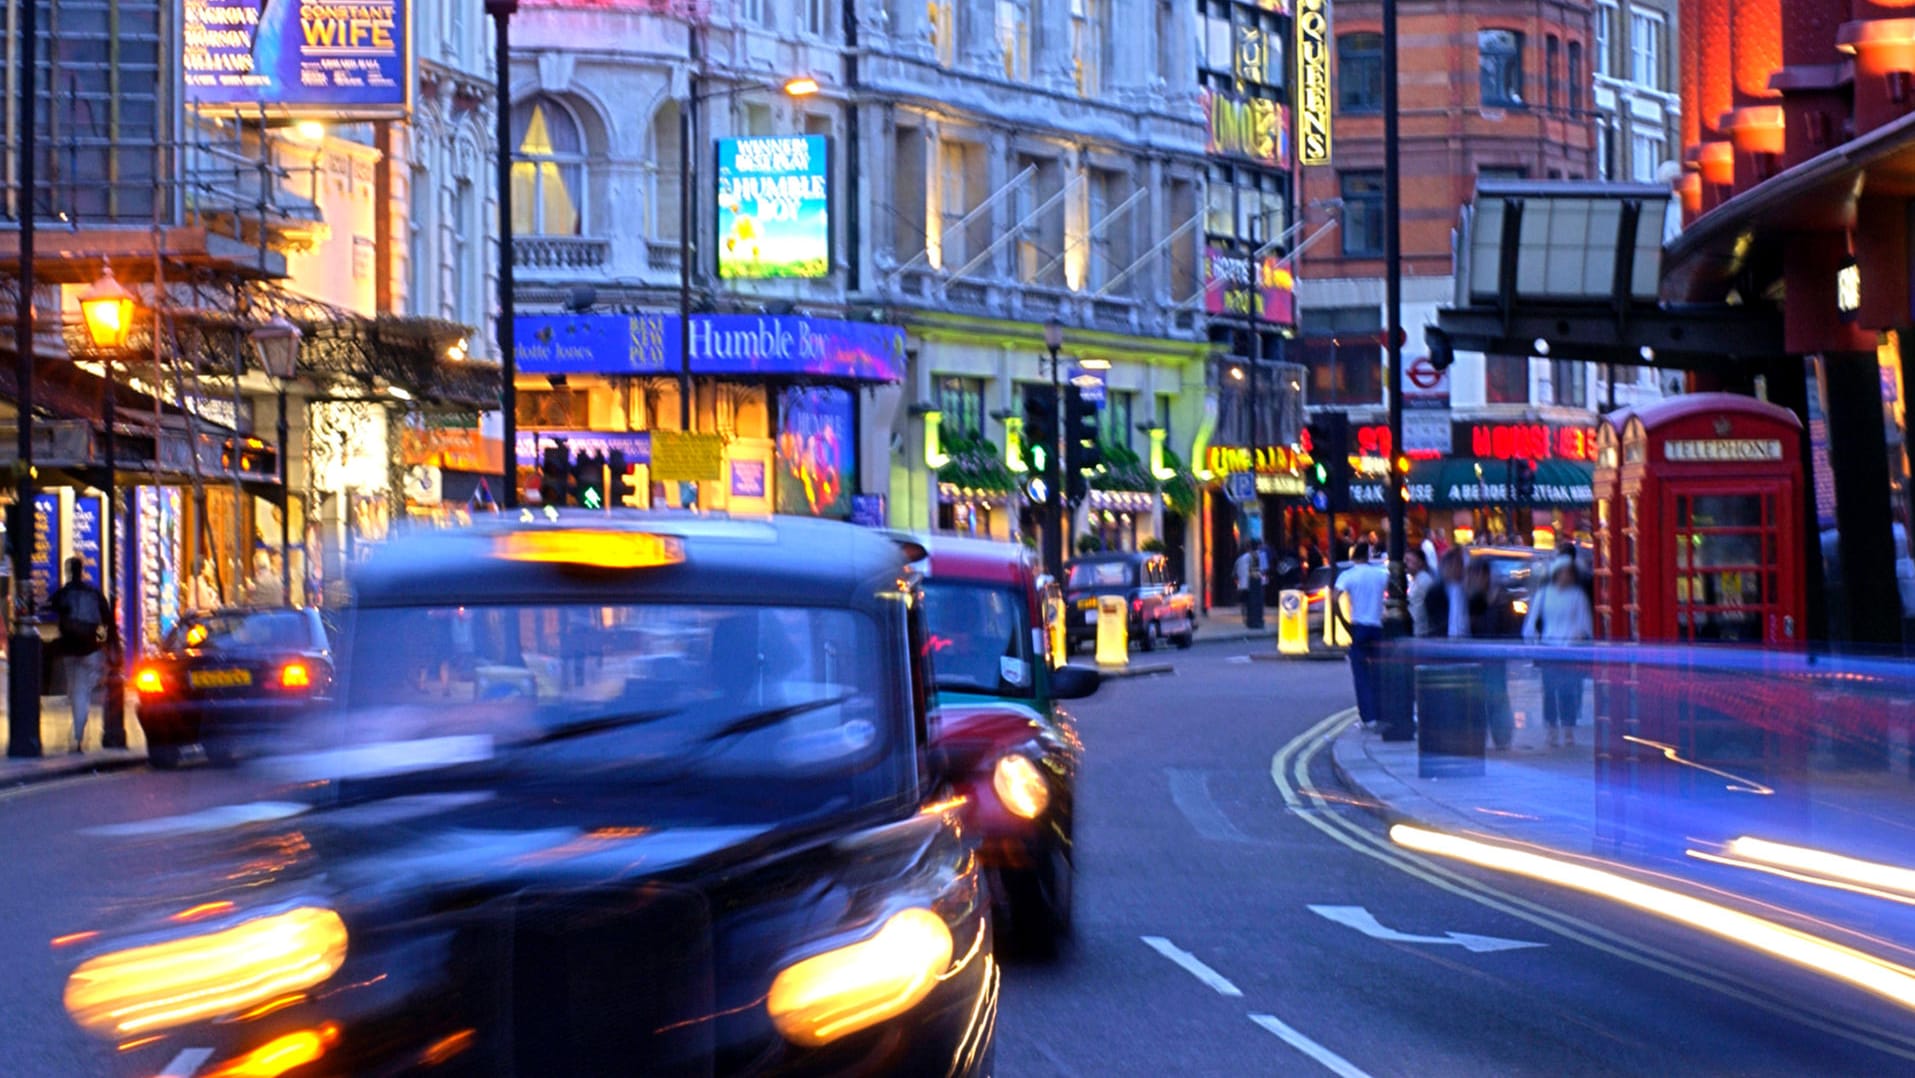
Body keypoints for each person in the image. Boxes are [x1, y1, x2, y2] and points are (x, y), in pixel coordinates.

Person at [1523, 555, 1595, 746]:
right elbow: (1530, 624)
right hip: (1548, 649)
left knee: (1568, 691)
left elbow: (1585, 624)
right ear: (1556, 573)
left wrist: (1581, 637)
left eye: (1570, 573)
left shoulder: (1577, 595)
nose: (1567, 576)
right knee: (1550, 691)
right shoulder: (1544, 594)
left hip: (1569, 650)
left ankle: (1568, 729)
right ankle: (1552, 729)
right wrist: (1532, 646)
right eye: (1564, 572)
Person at [47, 557, 112, 753]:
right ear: (82, 570)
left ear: (69, 571)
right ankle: (78, 733)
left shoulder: (64, 593)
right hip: (89, 648)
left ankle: (77, 735)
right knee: (81, 691)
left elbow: (52, 606)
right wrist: (101, 640)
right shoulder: (93, 593)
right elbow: (106, 618)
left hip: (69, 649)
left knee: (75, 691)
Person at [1466, 558, 1516, 749]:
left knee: (1497, 695)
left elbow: (1510, 627)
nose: (1477, 578)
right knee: (1479, 697)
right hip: (1477, 655)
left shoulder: (1501, 598)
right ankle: (1482, 735)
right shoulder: (1472, 598)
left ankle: (1501, 737)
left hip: (1495, 656)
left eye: (1480, 574)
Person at [1335, 557, 1390, 726]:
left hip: (1359, 627)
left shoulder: (1348, 574)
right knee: (1380, 673)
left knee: (1361, 674)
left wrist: (1344, 622)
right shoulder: (1382, 573)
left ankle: (1368, 718)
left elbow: (1334, 598)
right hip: (1378, 627)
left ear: (1353, 559)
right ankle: (1382, 714)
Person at [1405, 549, 1437, 638]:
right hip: (1417, 628)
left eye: (1408, 560)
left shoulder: (1424, 580)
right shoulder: (1415, 580)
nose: (1405, 564)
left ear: (1420, 562)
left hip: (1422, 630)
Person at [1233, 542, 1267, 616]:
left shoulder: (1241, 558)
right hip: (1256, 582)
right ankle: (1256, 612)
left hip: (1244, 584)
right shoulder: (1261, 556)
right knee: (1257, 597)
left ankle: (1247, 611)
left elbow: (1235, 572)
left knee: (1246, 598)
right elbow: (1264, 570)